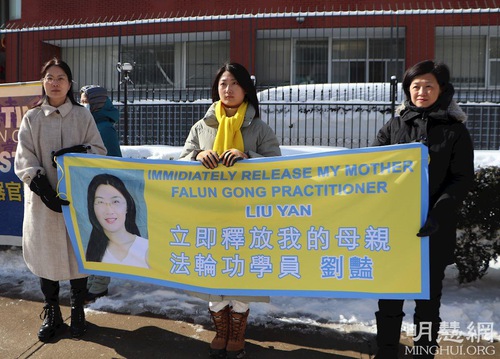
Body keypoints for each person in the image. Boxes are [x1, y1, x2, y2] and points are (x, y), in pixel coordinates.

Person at [371, 60, 474, 358]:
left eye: (429, 85)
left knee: (428, 303)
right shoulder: (394, 125)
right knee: (389, 298)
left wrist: (438, 214)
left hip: (434, 231)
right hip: (395, 230)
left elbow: (462, 178)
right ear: (407, 90)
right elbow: (373, 172)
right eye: (415, 86)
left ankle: (424, 352)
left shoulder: (455, 131)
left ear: (442, 90)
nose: (422, 91)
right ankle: (387, 350)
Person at [179, 62, 281, 359]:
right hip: (208, 214)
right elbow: (180, 162)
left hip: (245, 215)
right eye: (223, 83)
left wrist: (247, 156)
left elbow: (277, 167)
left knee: (240, 274)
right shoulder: (201, 127)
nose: (228, 89)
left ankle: (237, 332)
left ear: (246, 89)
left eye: (235, 83)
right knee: (212, 274)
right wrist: (198, 154)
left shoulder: (259, 128)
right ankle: (221, 331)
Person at [14, 57, 107, 342]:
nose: (55, 83)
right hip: (43, 204)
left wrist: (79, 152)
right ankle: (52, 312)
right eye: (50, 77)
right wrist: (43, 188)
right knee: (47, 257)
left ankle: (78, 310)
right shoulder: (31, 118)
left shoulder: (83, 116)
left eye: (61, 78)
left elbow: (99, 150)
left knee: (77, 257)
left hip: (76, 201)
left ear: (69, 84)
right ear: (43, 82)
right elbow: (24, 159)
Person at [80, 85, 122, 302]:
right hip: (94, 190)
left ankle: (99, 285)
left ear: (95, 103)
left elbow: (111, 160)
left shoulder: (103, 128)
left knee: (101, 238)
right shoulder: (92, 124)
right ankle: (93, 281)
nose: (82, 103)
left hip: (103, 192)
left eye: (85, 99)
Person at [86, 173, 149, 269]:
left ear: (127, 206)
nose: (109, 210)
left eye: (115, 201)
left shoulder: (146, 248)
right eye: (100, 202)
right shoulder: (90, 253)